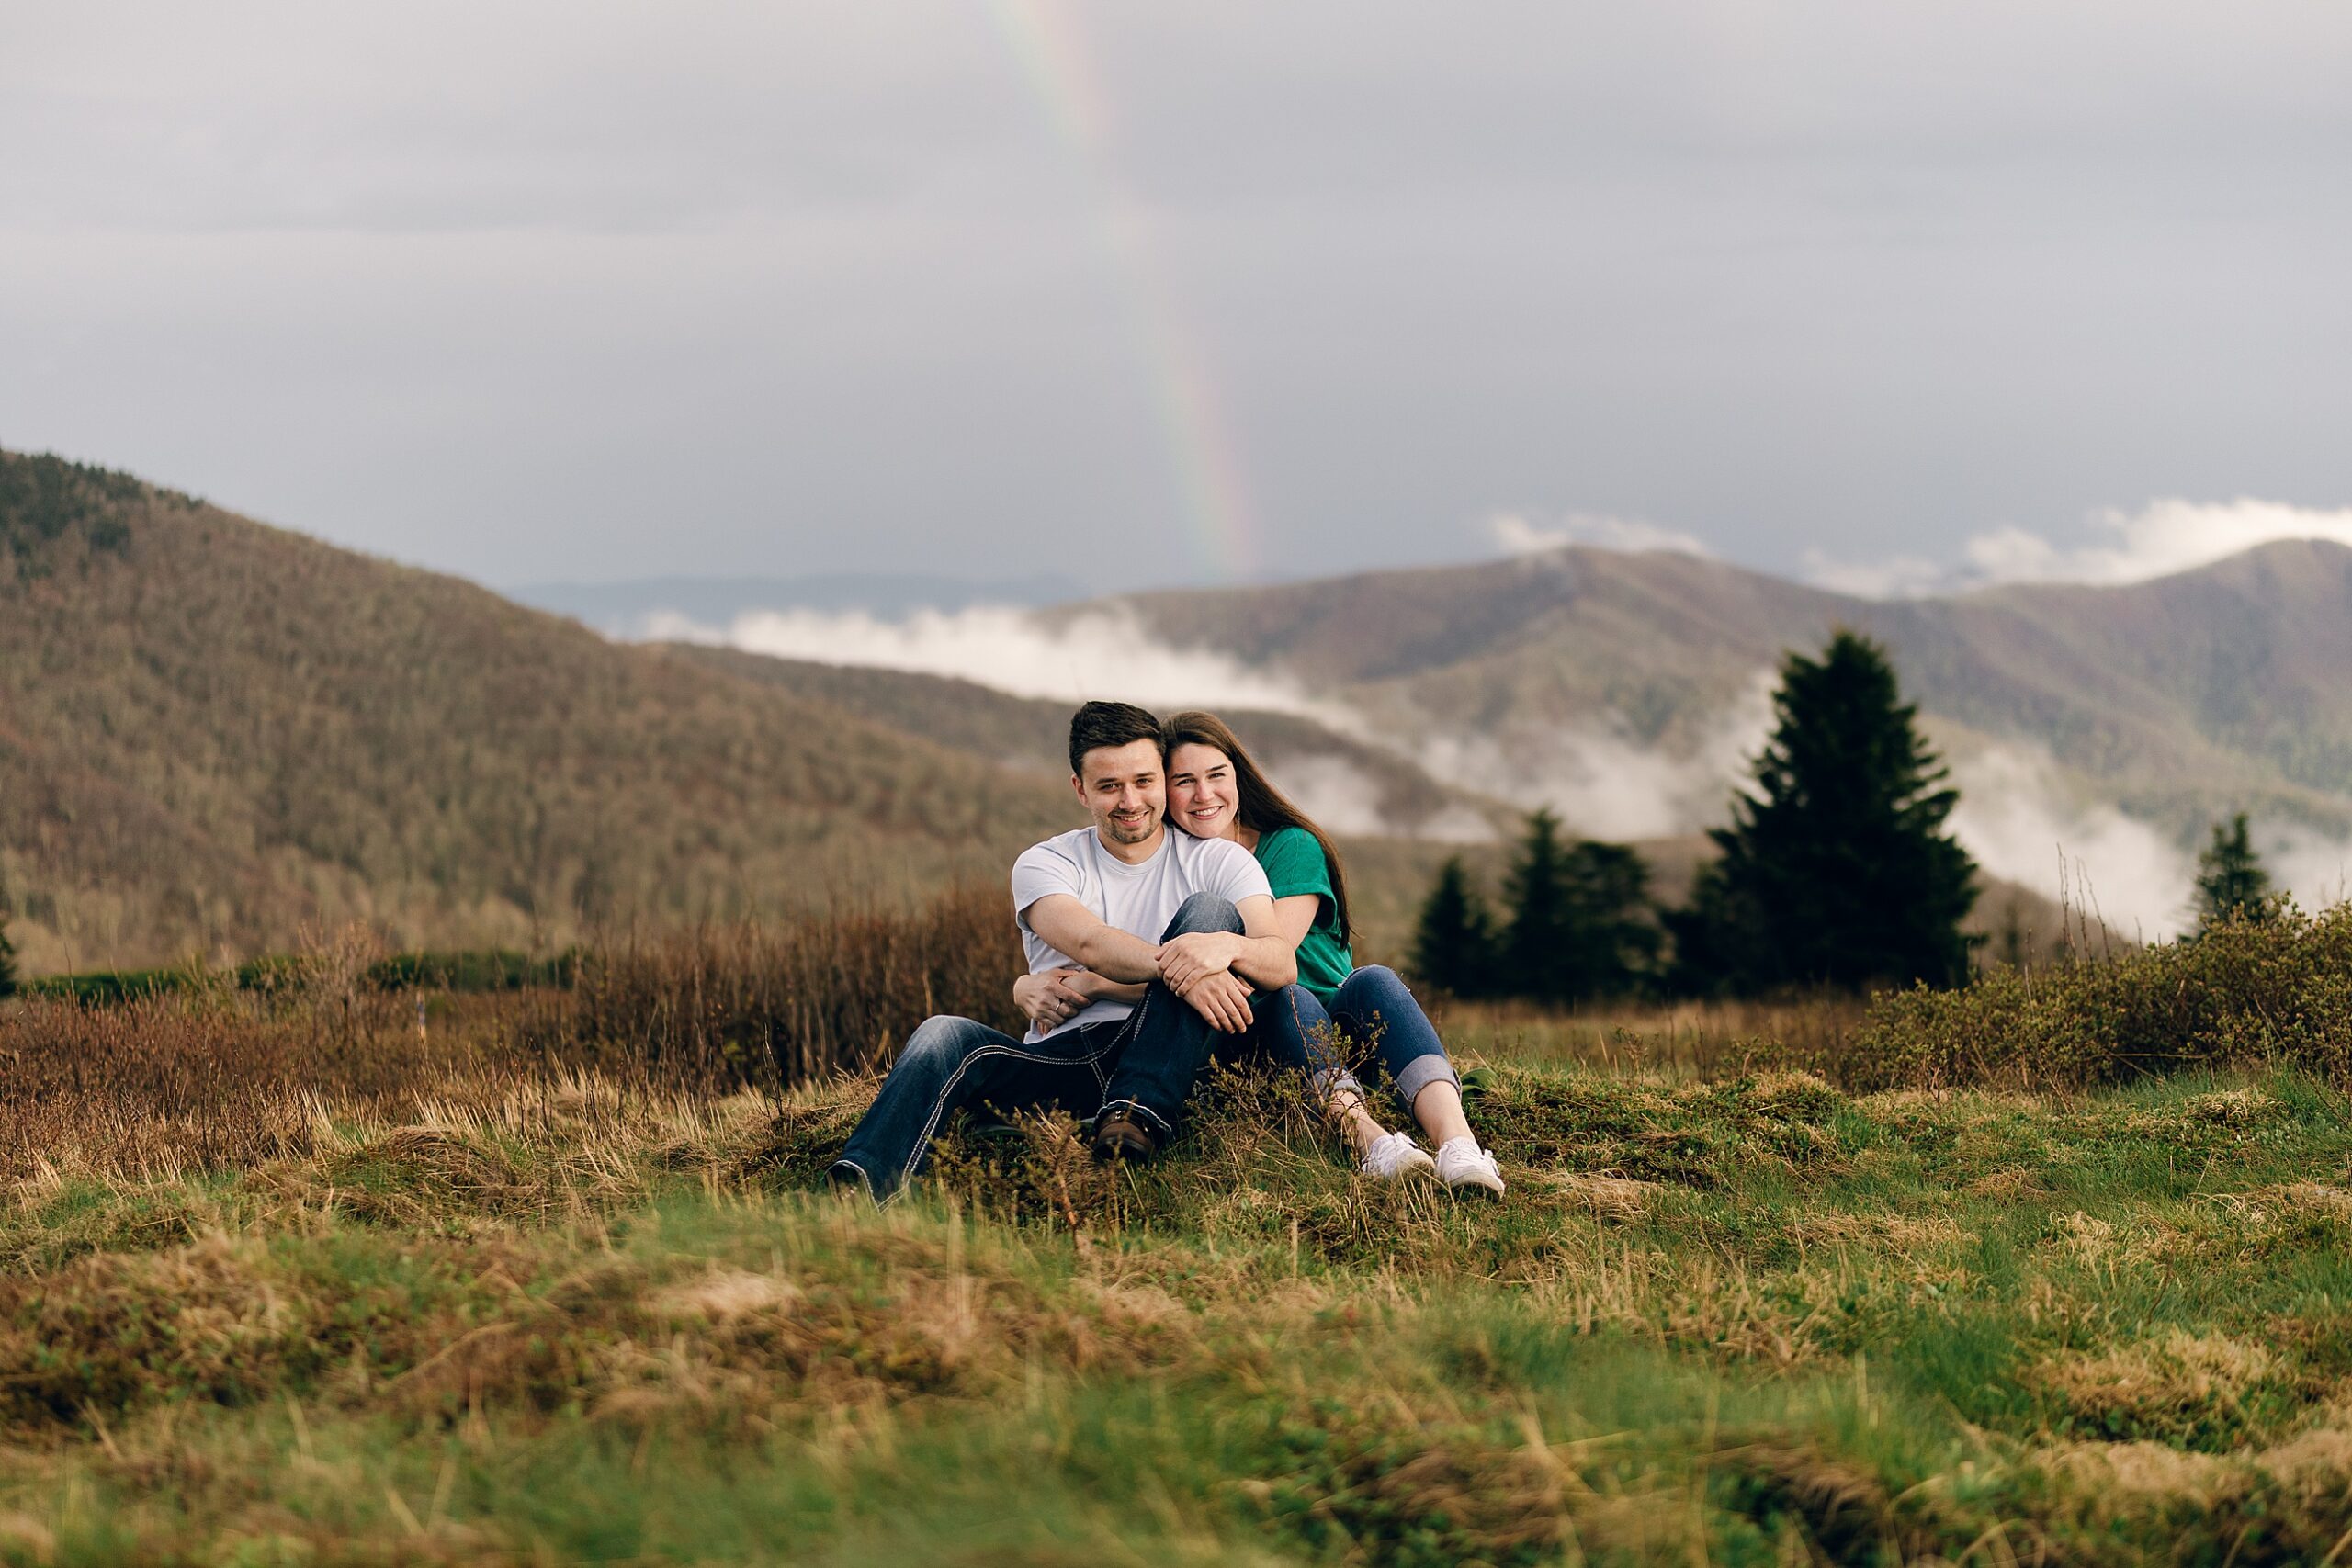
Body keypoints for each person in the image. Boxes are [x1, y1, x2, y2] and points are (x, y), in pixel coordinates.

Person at [830, 700, 1299, 1205]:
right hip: (1066, 1059)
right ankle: (861, 1188)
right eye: (1109, 786)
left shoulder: (1218, 859)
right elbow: (1091, 944)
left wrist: (1222, 947)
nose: (1130, 800)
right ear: (1080, 789)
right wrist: (1190, 970)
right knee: (942, 1033)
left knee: (1209, 914)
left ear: (1163, 778)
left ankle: (1133, 1114)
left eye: (1144, 781)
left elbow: (1280, 961)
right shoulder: (1046, 862)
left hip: (1175, 1059)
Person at [1162, 710, 1505, 1194]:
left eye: (1216, 775)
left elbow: (1272, 955)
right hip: (1251, 1036)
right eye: (1184, 781)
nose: (1204, 794)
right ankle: (1374, 1144)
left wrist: (1214, 949)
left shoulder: (1290, 846)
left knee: (1374, 980)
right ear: (1163, 791)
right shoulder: (1167, 863)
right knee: (1289, 998)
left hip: (1345, 1036)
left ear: (1238, 775)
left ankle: (1460, 1148)